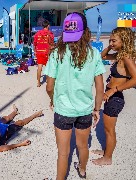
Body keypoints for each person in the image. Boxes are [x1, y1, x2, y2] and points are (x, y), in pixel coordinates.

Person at [44, 12, 106, 179]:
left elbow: (49, 86)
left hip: (63, 110)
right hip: (85, 110)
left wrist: (52, 100)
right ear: (85, 31)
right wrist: (96, 109)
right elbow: (100, 87)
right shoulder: (93, 53)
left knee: (63, 154)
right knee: (83, 146)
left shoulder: (57, 54)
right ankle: (83, 170)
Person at [92, 27, 136, 166]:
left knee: (109, 130)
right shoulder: (120, 55)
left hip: (115, 98)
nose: (111, 42)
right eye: (110, 40)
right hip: (111, 97)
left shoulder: (127, 57)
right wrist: (110, 46)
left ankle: (107, 158)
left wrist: (113, 90)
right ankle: (106, 151)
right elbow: (102, 57)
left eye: (114, 40)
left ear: (124, 40)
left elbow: (135, 79)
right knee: (107, 129)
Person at [33, 20, 54, 87]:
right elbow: (52, 44)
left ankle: (38, 82)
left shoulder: (37, 33)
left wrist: (35, 52)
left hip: (39, 52)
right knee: (48, 68)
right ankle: (48, 82)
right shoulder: (50, 34)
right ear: (48, 26)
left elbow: (34, 44)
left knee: (39, 67)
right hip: (47, 52)